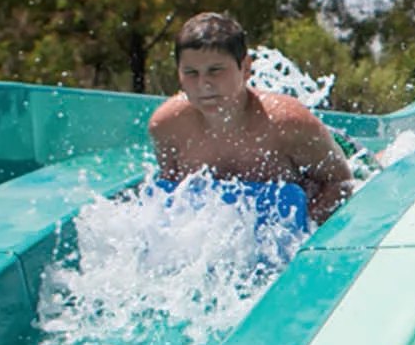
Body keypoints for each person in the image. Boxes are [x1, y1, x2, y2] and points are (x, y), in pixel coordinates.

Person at [148, 12, 353, 224]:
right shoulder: (167, 126)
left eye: (215, 70)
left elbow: (342, 182)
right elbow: (171, 195)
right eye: (191, 73)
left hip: (339, 147)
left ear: (246, 68)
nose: (203, 84)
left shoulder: (289, 124)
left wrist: (303, 227)